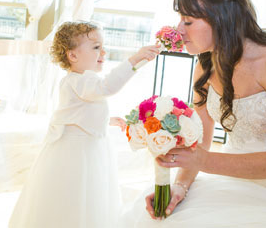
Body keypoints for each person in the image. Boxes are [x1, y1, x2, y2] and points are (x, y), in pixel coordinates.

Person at [124, 0, 266, 227]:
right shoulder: (205, 66)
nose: (178, 30)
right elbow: (200, 139)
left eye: (187, 21)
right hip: (231, 177)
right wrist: (180, 187)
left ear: (221, 18)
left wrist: (204, 161)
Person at [9, 21, 160, 227]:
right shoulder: (78, 80)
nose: (104, 52)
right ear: (73, 56)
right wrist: (134, 60)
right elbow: (106, 87)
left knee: (89, 192)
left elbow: (79, 113)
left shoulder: (83, 81)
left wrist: (107, 121)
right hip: (76, 152)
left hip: (89, 146)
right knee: (74, 193)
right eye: (96, 47)